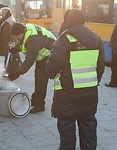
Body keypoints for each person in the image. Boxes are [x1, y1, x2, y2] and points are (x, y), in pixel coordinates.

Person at [45, 9, 105, 150]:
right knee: (89, 134)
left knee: (67, 138)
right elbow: (100, 68)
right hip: (89, 95)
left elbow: (50, 71)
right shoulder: (96, 39)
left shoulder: (64, 40)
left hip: (67, 96)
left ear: (68, 21)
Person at [8, 22, 56, 113]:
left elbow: (30, 60)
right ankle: (36, 101)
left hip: (50, 55)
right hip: (43, 55)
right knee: (38, 78)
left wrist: (18, 73)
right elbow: (24, 43)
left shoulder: (33, 39)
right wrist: (15, 49)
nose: (16, 39)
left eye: (17, 36)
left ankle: (39, 105)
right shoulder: (26, 30)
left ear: (22, 33)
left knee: (41, 79)